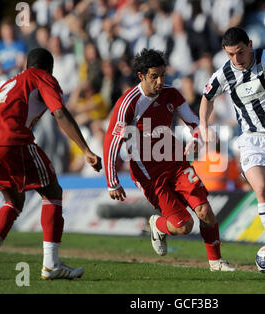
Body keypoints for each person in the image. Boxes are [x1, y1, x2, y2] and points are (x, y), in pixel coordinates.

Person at [0, 48, 102, 280]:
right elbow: (59, 113)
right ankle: (51, 264)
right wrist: (86, 149)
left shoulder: (8, 85)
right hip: (13, 141)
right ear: (49, 69)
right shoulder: (42, 78)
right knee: (52, 191)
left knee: (13, 201)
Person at [103, 49, 235, 272]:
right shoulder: (129, 103)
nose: (160, 81)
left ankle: (216, 262)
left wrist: (196, 139)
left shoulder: (171, 94)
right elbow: (111, 141)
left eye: (163, 75)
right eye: (154, 76)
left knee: (204, 210)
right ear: (141, 76)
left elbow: (194, 121)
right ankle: (157, 224)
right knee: (184, 226)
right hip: (148, 173)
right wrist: (112, 181)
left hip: (176, 162)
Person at [199, 27, 265, 270]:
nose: (236, 59)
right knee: (260, 188)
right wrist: (203, 125)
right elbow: (207, 97)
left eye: (240, 52)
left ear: (250, 44)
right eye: (230, 55)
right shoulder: (224, 74)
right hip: (252, 140)